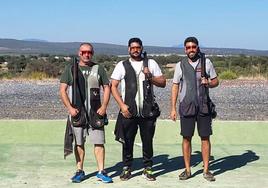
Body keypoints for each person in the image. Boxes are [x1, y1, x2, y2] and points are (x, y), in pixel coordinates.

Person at [111, 37, 166, 181]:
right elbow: (113, 86)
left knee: (148, 141)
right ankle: (127, 168)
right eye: (133, 47)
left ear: (141, 48)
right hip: (129, 111)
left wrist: (149, 76)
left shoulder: (151, 63)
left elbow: (162, 82)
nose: (135, 50)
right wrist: (122, 105)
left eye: (138, 47)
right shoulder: (122, 65)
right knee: (127, 141)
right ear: (129, 49)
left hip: (148, 111)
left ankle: (148, 168)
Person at [59, 43, 112, 183]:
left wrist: (104, 106)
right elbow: (62, 90)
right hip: (78, 112)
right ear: (79, 53)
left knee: (99, 143)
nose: (86, 54)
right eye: (84, 52)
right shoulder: (71, 69)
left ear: (92, 53)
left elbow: (107, 87)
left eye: (89, 52)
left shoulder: (98, 68)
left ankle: (101, 171)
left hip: (96, 112)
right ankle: (79, 171)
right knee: (79, 143)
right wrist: (70, 108)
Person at [170, 37, 219, 182]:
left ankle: (206, 170)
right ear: (185, 49)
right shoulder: (180, 65)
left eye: (193, 47)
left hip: (204, 106)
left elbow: (216, 81)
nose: (191, 49)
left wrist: (208, 82)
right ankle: (187, 170)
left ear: (197, 47)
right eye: (188, 47)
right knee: (186, 138)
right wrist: (172, 108)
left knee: (205, 138)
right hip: (186, 107)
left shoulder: (207, 62)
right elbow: (175, 86)